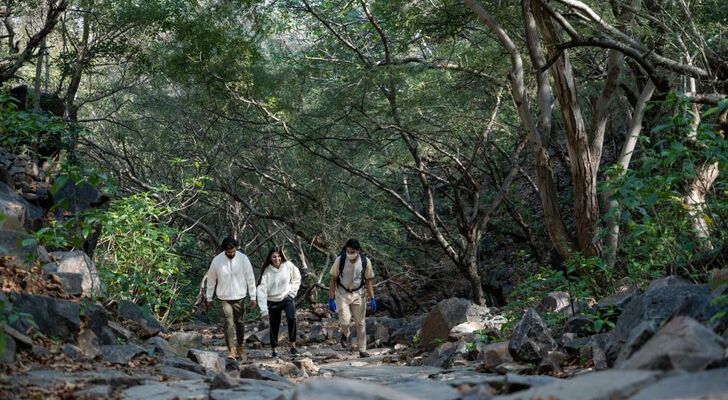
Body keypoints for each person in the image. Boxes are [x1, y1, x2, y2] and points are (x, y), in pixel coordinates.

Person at [205, 237, 257, 361]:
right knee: (229, 322)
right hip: (224, 297)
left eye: (233, 251)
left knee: (239, 323)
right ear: (224, 251)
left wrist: (253, 296)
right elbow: (211, 280)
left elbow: (250, 278)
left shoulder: (243, 259)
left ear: (235, 248)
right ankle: (231, 350)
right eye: (229, 252)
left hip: (240, 297)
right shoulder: (217, 261)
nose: (231, 254)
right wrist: (209, 298)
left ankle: (239, 346)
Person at [327, 238, 377, 358]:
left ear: (358, 251)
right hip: (342, 292)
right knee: (345, 320)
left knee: (360, 322)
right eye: (348, 251)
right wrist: (331, 298)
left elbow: (368, 280)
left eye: (353, 251)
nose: (350, 254)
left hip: (358, 293)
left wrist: (372, 298)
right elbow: (333, 279)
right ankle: (345, 334)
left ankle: (362, 350)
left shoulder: (365, 261)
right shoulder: (341, 260)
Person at [256, 247, 302, 357]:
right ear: (270, 258)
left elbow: (297, 277)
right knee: (274, 324)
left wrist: (292, 293)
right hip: (272, 300)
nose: (277, 258)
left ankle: (293, 346)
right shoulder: (267, 271)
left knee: (292, 318)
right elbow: (261, 291)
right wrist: (264, 311)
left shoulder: (288, 265)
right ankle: (274, 349)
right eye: (274, 257)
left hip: (287, 297)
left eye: (278, 256)